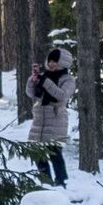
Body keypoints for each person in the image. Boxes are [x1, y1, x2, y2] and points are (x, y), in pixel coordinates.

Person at [26, 48, 75, 185]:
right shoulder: (44, 76)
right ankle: (45, 181)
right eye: (50, 60)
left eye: (55, 61)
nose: (52, 64)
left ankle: (61, 181)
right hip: (40, 120)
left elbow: (62, 95)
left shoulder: (68, 79)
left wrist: (45, 82)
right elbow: (32, 94)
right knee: (37, 153)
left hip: (56, 119)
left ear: (62, 61)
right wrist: (33, 81)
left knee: (54, 153)